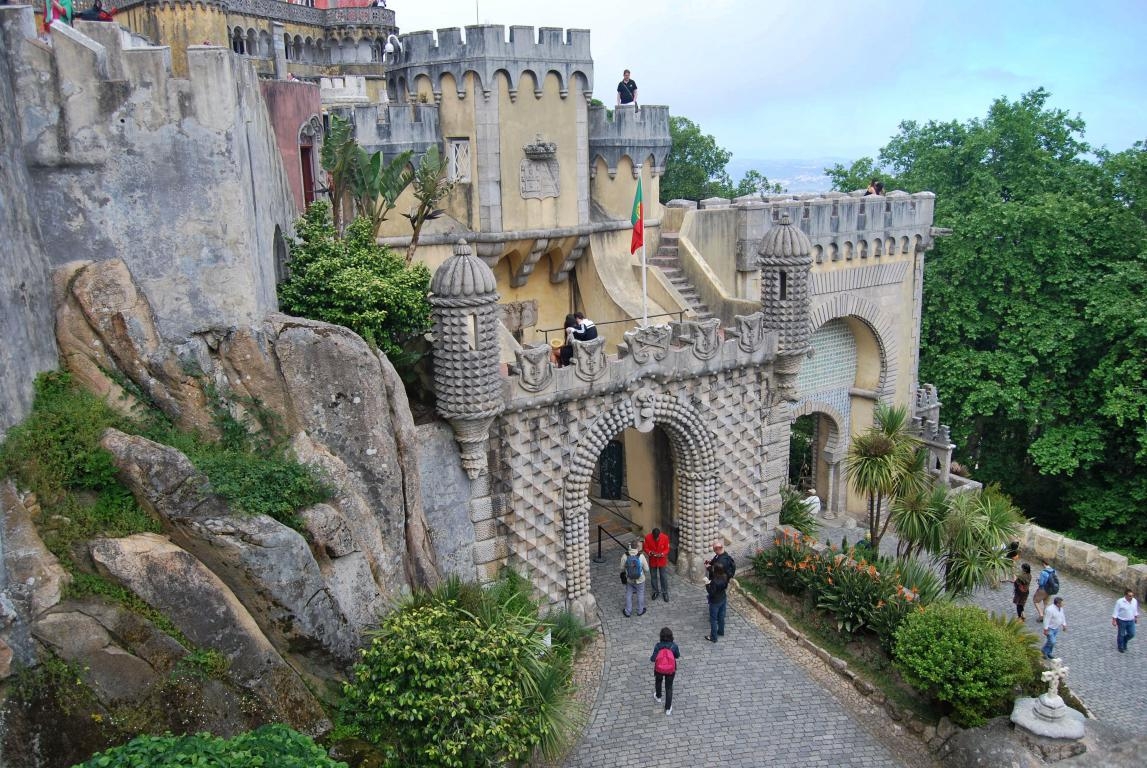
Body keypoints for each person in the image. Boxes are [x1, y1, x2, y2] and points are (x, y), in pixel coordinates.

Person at [649, 626, 681, 715]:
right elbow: (677, 656)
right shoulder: (674, 646)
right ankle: (668, 708)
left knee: (658, 682)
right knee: (669, 687)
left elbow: (653, 659)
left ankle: (658, 696)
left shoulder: (658, 646)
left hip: (659, 669)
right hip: (671, 669)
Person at [619, 542, 649, 617]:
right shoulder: (641, 556)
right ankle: (640, 610)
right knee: (640, 594)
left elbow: (621, 568)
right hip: (640, 579)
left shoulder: (625, 556)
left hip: (629, 579)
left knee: (629, 594)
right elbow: (647, 569)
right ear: (637, 547)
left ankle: (628, 611)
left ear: (630, 547)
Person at [643, 527, 671, 602]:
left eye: (657, 538)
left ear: (659, 535)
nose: (656, 539)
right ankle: (655, 591)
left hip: (662, 560)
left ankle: (665, 592)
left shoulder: (665, 537)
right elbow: (645, 548)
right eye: (655, 538)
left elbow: (667, 549)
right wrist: (650, 553)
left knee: (663, 577)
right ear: (652, 535)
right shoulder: (647, 537)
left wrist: (662, 554)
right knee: (653, 576)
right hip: (653, 560)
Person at [704, 563, 728, 642]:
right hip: (723, 598)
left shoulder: (714, 581)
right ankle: (721, 631)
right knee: (721, 616)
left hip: (715, 602)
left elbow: (711, 592)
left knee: (713, 619)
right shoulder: (725, 576)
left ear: (716, 571)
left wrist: (707, 584)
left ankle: (713, 637)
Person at [1112, 589, 1139, 653]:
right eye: (1130, 596)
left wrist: (1136, 617)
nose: (1131, 597)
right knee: (1121, 634)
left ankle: (1124, 641)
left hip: (1131, 620)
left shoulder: (1134, 601)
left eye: (1132, 595)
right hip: (1121, 620)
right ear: (1125, 595)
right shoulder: (1120, 602)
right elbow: (1115, 611)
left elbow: (1135, 610)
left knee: (1132, 634)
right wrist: (1114, 620)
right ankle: (1120, 646)